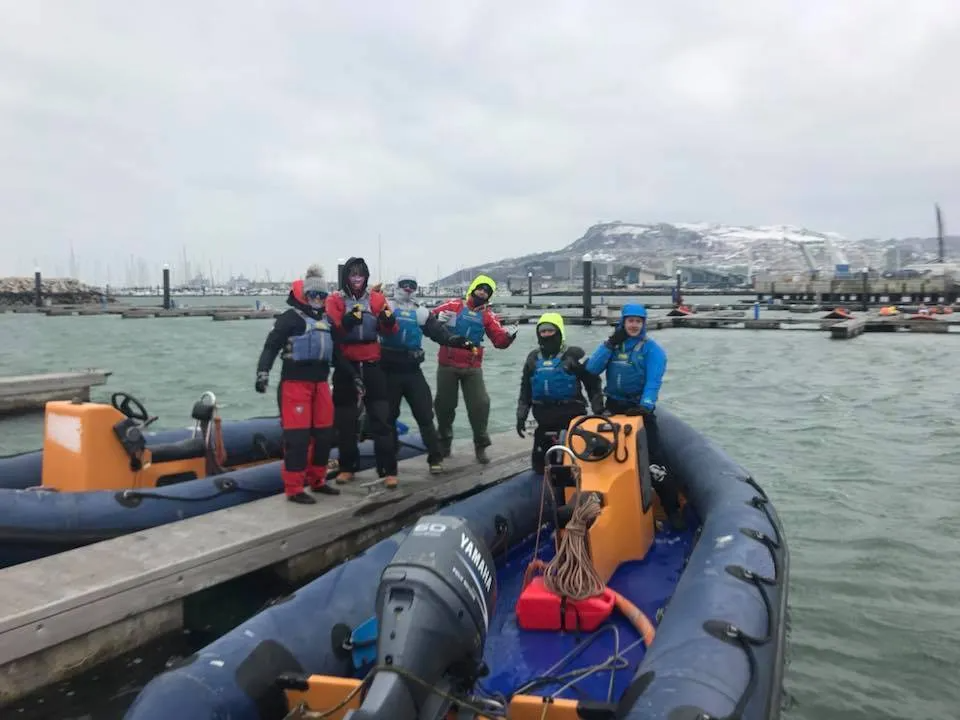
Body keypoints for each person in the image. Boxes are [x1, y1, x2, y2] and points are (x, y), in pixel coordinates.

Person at [584, 303, 684, 528]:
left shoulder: (652, 350)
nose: (634, 325)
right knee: (606, 461)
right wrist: (609, 343)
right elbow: (591, 369)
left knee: (655, 463)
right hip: (613, 408)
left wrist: (646, 405)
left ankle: (672, 511)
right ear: (623, 322)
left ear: (643, 324)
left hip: (639, 409)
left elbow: (653, 381)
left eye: (638, 321)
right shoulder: (613, 346)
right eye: (630, 321)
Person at [255, 265, 340, 504]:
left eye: (322, 296)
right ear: (305, 294)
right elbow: (271, 347)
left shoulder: (327, 321)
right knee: (298, 439)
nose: (317, 300)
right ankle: (294, 488)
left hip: (321, 384)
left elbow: (338, 355)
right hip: (295, 385)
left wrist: (354, 376)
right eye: (313, 295)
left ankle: (318, 480)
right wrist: (263, 373)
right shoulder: (289, 319)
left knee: (324, 435)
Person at [381, 274, 477, 477]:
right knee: (388, 418)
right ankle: (389, 467)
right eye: (404, 285)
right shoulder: (385, 306)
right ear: (397, 286)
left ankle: (435, 459)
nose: (408, 288)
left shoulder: (421, 312)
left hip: (412, 370)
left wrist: (459, 341)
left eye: (412, 285)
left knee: (425, 415)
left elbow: (439, 334)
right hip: (388, 370)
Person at [324, 257, 398, 487]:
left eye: (360, 274)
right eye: (352, 274)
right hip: (346, 365)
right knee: (345, 420)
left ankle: (388, 470)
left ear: (366, 277)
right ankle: (347, 467)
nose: (357, 279)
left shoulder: (376, 299)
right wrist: (346, 322)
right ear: (346, 277)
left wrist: (388, 321)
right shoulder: (335, 300)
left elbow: (390, 331)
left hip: (373, 363)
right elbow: (332, 331)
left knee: (382, 418)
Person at [431, 274, 518, 464]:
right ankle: (444, 444)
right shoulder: (454, 305)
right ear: (473, 289)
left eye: (487, 291)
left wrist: (509, 337)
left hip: (472, 366)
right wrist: (437, 319)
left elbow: (499, 341)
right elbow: (428, 320)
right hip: (447, 364)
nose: (483, 292)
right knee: (444, 406)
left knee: (480, 405)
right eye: (480, 288)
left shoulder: (488, 316)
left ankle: (481, 445)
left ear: (489, 296)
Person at [515, 313, 603, 474]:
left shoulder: (574, 354)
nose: (547, 334)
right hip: (544, 419)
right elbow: (525, 389)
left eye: (550, 330)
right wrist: (521, 416)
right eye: (543, 331)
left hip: (571, 420)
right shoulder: (533, 358)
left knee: (571, 465)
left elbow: (592, 384)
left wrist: (599, 411)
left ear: (559, 331)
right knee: (539, 466)